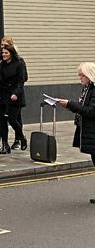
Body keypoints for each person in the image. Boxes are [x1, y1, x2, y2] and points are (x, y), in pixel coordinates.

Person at [55, 62, 95, 203]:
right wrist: (70, 106)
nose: (80, 78)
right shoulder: (87, 88)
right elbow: (83, 108)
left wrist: (71, 104)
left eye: (82, 75)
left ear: (89, 75)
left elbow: (91, 111)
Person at [0, 43, 26, 154]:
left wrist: (16, 93)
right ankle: (5, 145)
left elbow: (21, 81)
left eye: (6, 53)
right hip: (2, 95)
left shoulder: (19, 64)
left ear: (11, 54)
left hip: (14, 96)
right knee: (2, 120)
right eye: (3, 53)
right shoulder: (2, 64)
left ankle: (21, 138)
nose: (3, 55)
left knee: (12, 119)